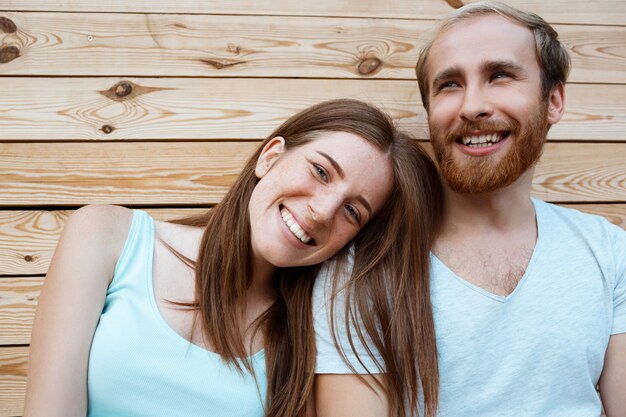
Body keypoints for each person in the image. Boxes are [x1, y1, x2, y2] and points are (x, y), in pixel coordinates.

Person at [23, 99, 443, 417]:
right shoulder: (106, 236)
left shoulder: (310, 335)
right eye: (320, 172)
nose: (322, 211)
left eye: (353, 211)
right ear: (270, 155)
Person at [313, 3, 626, 417]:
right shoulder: (363, 270)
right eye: (449, 85)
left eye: (499, 76)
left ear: (553, 100)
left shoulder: (609, 252)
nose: (472, 106)